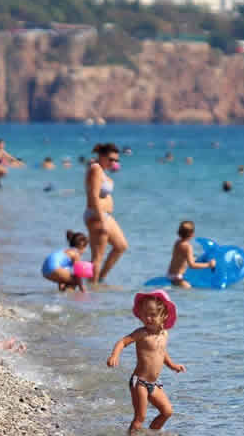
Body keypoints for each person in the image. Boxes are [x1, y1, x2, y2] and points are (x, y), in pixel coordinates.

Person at [106, 291, 185, 433]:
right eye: (145, 314)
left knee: (167, 412)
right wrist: (114, 355)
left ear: (164, 315)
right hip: (139, 382)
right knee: (139, 418)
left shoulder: (164, 334)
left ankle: (152, 433)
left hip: (154, 384)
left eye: (153, 314)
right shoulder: (142, 333)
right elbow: (123, 341)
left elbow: (161, 353)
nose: (148, 318)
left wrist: (172, 365)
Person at [84, 143, 128, 287]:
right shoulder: (95, 169)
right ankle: (92, 288)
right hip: (97, 215)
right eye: (110, 159)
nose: (113, 163)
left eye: (116, 160)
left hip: (106, 216)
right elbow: (94, 196)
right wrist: (101, 219)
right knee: (97, 257)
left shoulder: (102, 170)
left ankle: (99, 279)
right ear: (101, 156)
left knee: (121, 246)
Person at [166, 221, 215, 289]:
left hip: (169, 274)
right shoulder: (188, 246)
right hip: (177, 277)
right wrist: (209, 265)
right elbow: (192, 265)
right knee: (189, 288)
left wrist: (194, 258)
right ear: (192, 234)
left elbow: (180, 258)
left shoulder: (177, 242)